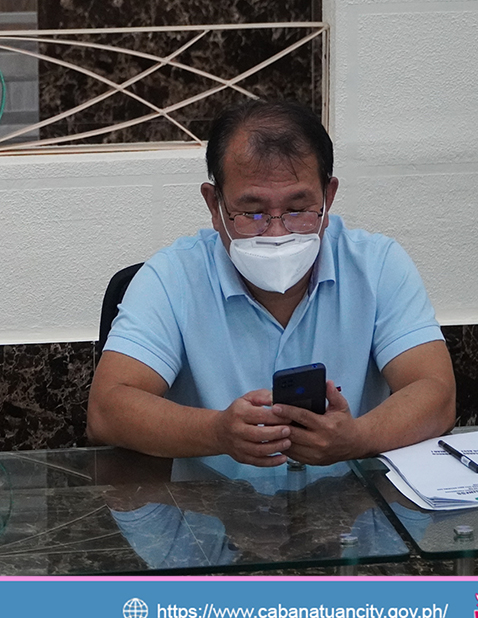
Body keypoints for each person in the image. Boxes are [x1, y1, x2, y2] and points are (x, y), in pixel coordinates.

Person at [87, 100, 455, 468]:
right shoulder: (171, 277)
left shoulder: (377, 265)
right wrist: (217, 432)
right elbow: (107, 410)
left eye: (298, 209)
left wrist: (358, 438)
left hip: (353, 517)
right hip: (212, 516)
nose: (277, 232)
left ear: (328, 198)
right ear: (215, 206)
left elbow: (436, 394)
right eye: (252, 212)